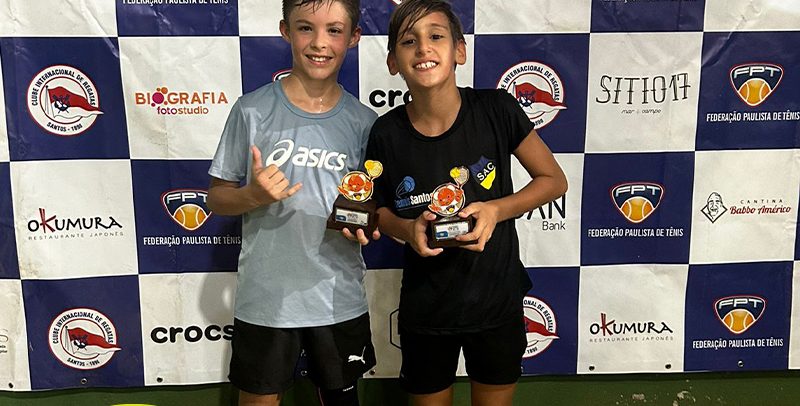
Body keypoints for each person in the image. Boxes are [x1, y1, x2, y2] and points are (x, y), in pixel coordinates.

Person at [365, 1, 568, 405]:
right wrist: (407, 229)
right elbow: (376, 210)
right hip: (426, 310)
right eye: (409, 41)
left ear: (459, 50)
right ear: (392, 62)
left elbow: (553, 181)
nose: (424, 48)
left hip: (496, 302)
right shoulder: (386, 132)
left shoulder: (497, 109)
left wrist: (495, 209)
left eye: (436, 36)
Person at [207, 1, 379, 405]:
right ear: (286, 30)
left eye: (334, 30)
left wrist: (367, 225)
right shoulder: (251, 110)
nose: (319, 42)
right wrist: (252, 195)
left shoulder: (365, 122)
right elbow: (216, 197)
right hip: (266, 301)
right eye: (306, 28)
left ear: (354, 37)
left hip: (337, 299)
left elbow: (372, 207)